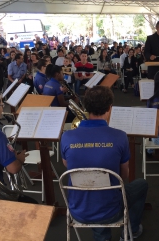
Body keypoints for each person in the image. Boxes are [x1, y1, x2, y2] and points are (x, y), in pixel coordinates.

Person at [60, 86, 148, 241]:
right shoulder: (120, 137)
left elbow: (67, 165)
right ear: (110, 108)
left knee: (94, 193)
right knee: (141, 185)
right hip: (110, 211)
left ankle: (102, 236)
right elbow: (124, 176)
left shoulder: (67, 137)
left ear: (86, 108)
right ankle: (132, 230)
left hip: (77, 210)